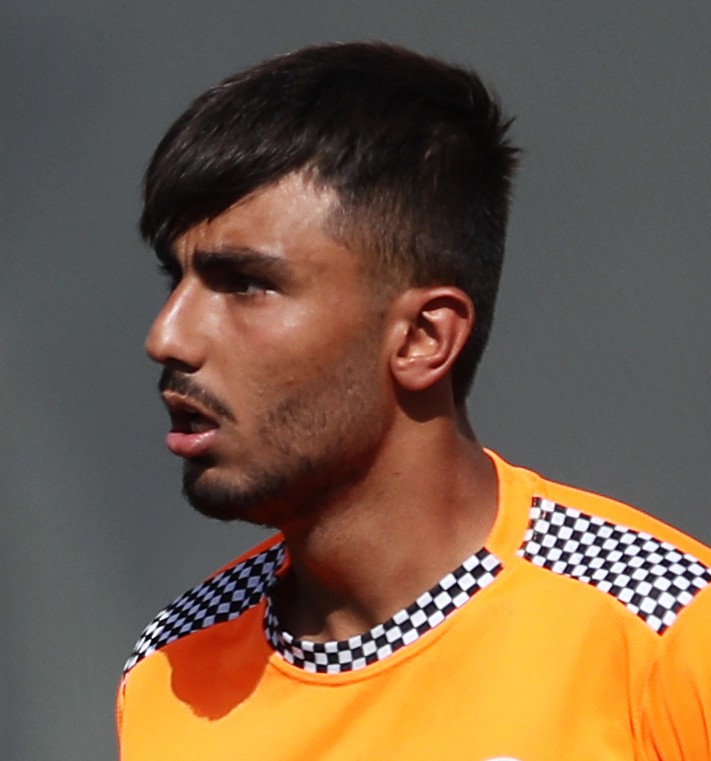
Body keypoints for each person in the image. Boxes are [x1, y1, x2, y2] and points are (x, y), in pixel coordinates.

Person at [117, 42, 711, 760]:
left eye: (245, 284)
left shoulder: (669, 630)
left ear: (423, 338)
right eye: (174, 279)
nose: (167, 337)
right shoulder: (170, 665)